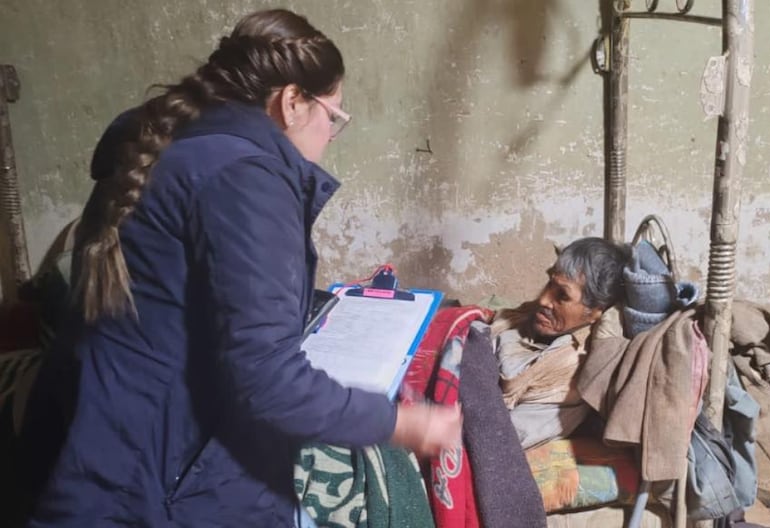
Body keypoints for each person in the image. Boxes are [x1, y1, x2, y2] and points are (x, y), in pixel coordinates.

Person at [27, 9, 461, 528]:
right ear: (292, 101)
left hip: (111, 454)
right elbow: (267, 379)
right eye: (334, 117)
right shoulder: (245, 175)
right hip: (164, 482)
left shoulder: (169, 147)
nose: (330, 136)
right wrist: (399, 422)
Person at [490, 237, 630, 449]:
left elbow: (498, 438)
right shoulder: (530, 319)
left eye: (562, 296)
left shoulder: (569, 371)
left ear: (594, 312)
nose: (544, 300)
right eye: (549, 284)